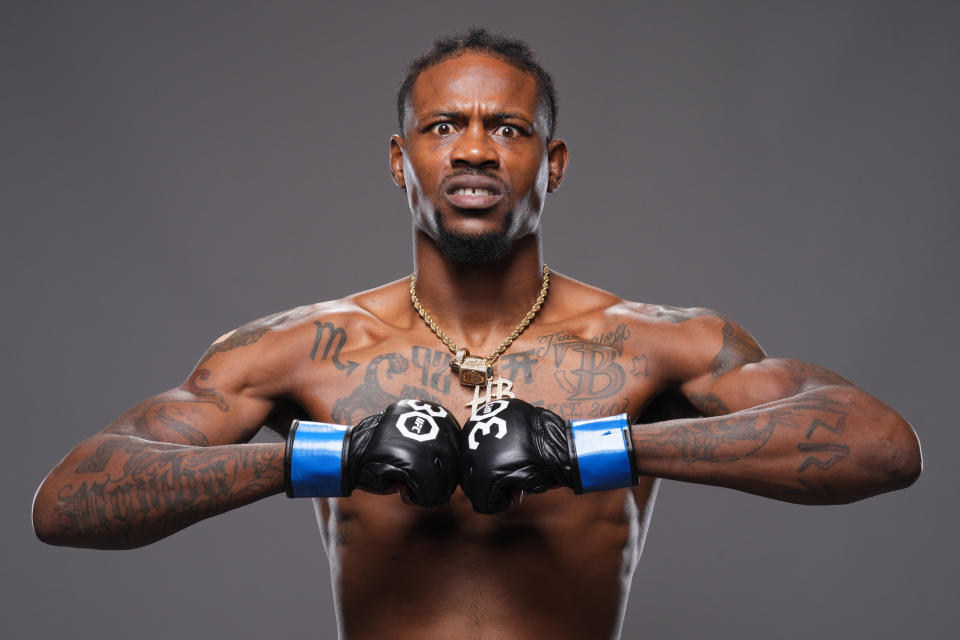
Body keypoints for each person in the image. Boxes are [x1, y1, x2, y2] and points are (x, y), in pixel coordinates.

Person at [32, 28, 922, 640]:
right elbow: (67, 504)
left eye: (509, 128)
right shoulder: (294, 350)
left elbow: (880, 448)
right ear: (400, 160)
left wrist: (594, 448)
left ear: (552, 164)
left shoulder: (660, 345)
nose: (473, 150)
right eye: (443, 126)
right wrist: (327, 457)